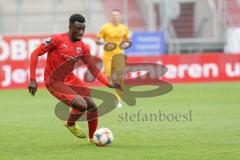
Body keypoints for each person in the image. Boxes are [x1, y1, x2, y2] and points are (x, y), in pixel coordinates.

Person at [28, 14, 122, 143]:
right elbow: (35, 53)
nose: (81, 32)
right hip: (54, 81)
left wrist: (108, 84)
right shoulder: (57, 39)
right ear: (70, 26)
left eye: (83, 29)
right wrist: (32, 79)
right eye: (78, 28)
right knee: (82, 105)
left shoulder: (83, 47)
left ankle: (92, 138)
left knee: (92, 105)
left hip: (71, 78)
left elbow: (93, 68)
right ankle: (70, 124)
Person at [96, 9, 130, 108]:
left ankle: (117, 100)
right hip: (108, 56)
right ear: (111, 17)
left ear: (120, 17)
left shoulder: (124, 28)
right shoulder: (105, 28)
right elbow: (97, 41)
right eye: (114, 15)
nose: (115, 17)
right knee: (109, 77)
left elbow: (128, 40)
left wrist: (126, 44)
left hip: (119, 55)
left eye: (117, 15)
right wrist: (104, 43)